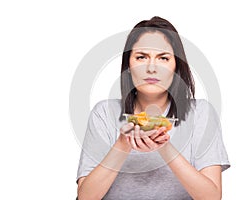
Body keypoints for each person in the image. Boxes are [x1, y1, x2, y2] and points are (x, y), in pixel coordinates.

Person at [76, 16, 230, 200]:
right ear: (128, 65)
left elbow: (211, 197)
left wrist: (165, 147)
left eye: (163, 58)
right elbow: (85, 196)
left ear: (176, 66)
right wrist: (122, 145)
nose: (151, 68)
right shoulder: (104, 113)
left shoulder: (201, 113)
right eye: (141, 57)